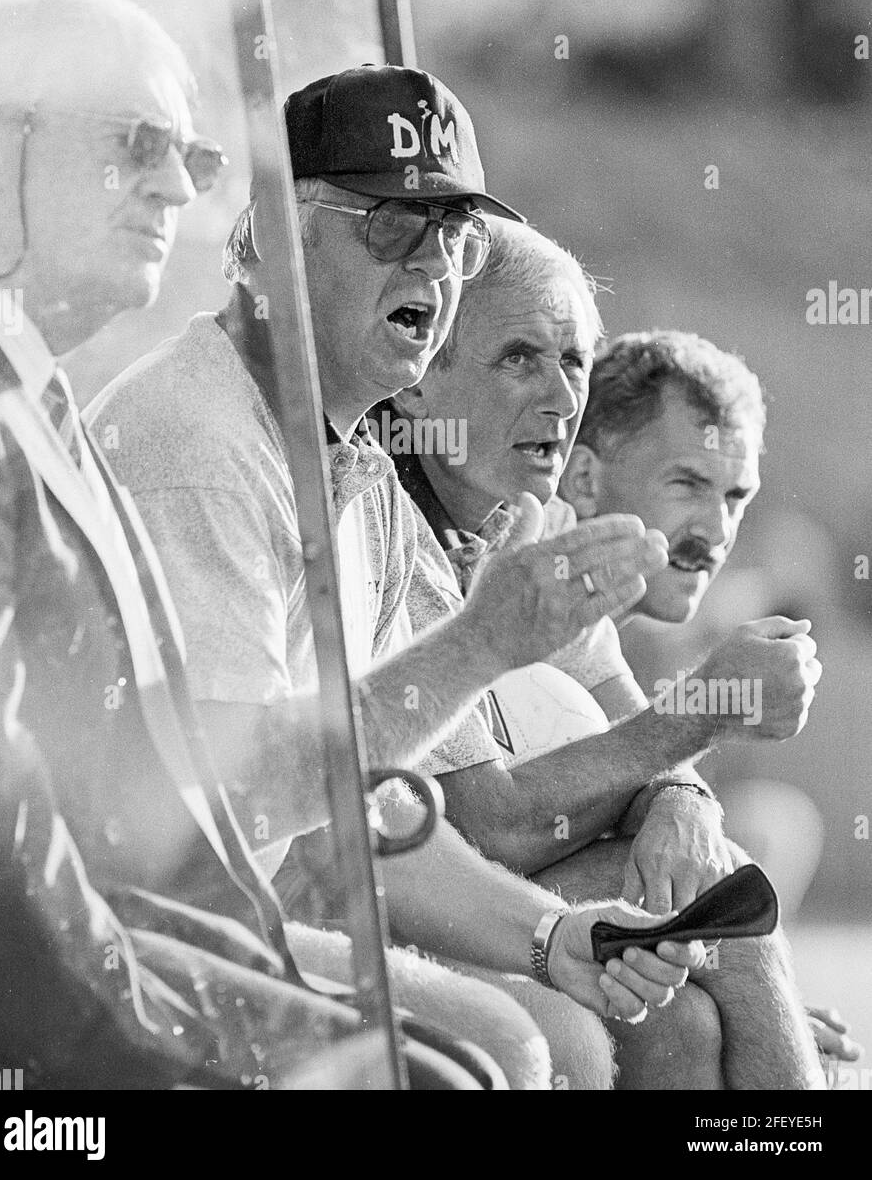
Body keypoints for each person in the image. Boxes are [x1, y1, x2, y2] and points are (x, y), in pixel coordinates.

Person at [89, 64, 706, 1090]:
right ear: (277, 239)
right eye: (390, 226)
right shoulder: (204, 445)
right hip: (138, 926)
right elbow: (238, 805)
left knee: (593, 1011)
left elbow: (364, 812)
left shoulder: (356, 458)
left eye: (453, 238)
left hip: (241, 909)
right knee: (508, 1048)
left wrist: (555, 936)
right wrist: (487, 642)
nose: (430, 263)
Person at [0, 0, 470, 1090]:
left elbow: (162, 800)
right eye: (135, 144)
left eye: (189, 161)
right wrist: (186, 1043)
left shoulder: (28, 397)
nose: (169, 190)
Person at [382, 222, 826, 1090]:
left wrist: (685, 801)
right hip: (397, 909)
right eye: (521, 358)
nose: (558, 395)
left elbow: (645, 734)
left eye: (576, 362)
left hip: (522, 903)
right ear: (422, 378)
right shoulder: (389, 533)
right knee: (722, 906)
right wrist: (710, 708)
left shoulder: (527, 530)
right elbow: (488, 825)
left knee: (687, 1021)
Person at [558, 328, 863, 1068]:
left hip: (608, 921)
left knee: (708, 1022)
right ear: (587, 478)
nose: (716, 531)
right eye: (687, 485)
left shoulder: (651, 624)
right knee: (727, 892)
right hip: (480, 917)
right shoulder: (541, 594)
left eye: (736, 496)